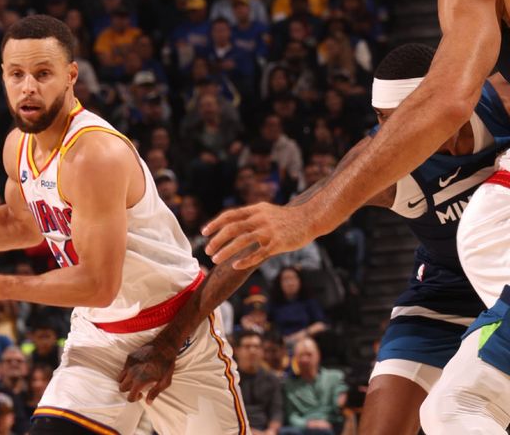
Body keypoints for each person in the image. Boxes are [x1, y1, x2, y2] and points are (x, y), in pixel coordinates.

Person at [0, 15, 248, 434]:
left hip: (175, 332)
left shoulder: (94, 155)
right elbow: (22, 223)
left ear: (71, 76)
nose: (28, 87)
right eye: (16, 74)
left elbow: (98, 283)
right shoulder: (18, 145)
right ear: (2, 76)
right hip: (99, 335)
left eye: (42, 73)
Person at [119, 43, 510, 435]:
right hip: (445, 295)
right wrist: (170, 342)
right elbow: (263, 242)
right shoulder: (376, 163)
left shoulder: (501, 102)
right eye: (382, 121)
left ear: (438, 104)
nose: (389, 137)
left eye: (399, 121)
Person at [281, 337, 347, 435]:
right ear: (295, 359)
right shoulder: (288, 384)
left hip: (329, 424)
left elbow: (339, 402)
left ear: (318, 355)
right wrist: (308, 424)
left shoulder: (334, 377)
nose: (305, 359)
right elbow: (291, 417)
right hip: (303, 427)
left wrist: (342, 400)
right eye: (301, 355)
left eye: (309, 354)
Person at [235, 330, 282, 435]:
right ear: (237, 351)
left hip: (265, 430)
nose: (252, 351)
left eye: (256, 347)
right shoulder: (228, 380)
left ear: (262, 351)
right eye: (247, 346)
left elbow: (276, 411)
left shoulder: (272, 379)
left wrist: (272, 431)